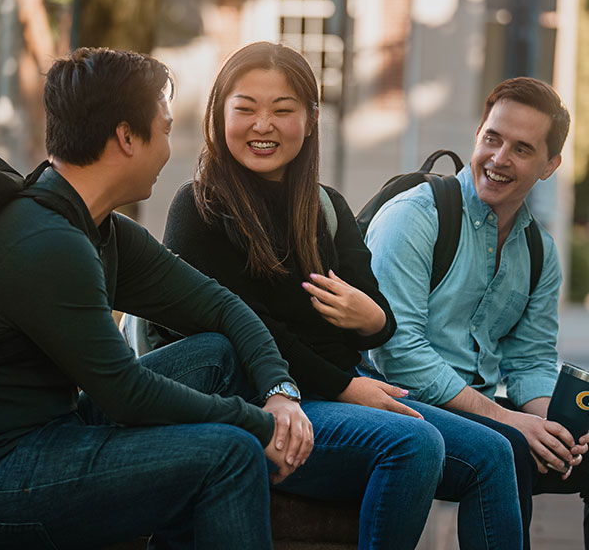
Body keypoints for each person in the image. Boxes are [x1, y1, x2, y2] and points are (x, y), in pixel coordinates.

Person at [161, 40, 524, 549]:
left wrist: (368, 316)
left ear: (309, 120)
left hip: (342, 388)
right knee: (413, 445)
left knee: (495, 453)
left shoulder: (325, 207)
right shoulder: (200, 208)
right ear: (218, 114)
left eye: (282, 110)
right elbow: (245, 331)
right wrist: (344, 387)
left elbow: (381, 319)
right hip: (260, 401)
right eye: (245, 109)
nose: (262, 125)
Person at [0, 47, 315, 550]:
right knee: (229, 453)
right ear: (126, 137)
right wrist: (257, 423)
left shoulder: (101, 228)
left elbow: (221, 307)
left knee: (215, 354)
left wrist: (280, 389)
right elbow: (127, 392)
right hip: (7, 473)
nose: (168, 149)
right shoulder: (46, 242)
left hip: (58, 430)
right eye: (164, 129)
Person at [364, 76, 589, 549]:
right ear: (478, 135)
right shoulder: (416, 216)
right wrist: (510, 421)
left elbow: (528, 362)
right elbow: (398, 355)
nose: (499, 158)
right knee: (506, 447)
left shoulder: (540, 252)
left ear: (550, 165)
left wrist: (554, 428)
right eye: (492, 138)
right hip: (392, 406)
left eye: (522, 149)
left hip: (478, 410)